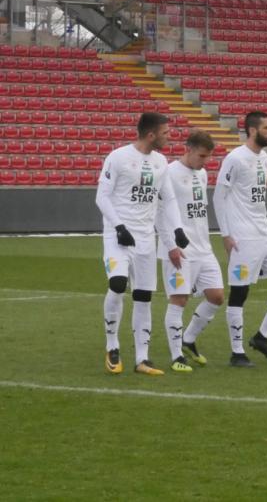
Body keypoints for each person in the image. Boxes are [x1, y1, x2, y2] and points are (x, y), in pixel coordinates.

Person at [97, 111, 186, 376]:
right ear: (151, 134)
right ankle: (112, 346)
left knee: (143, 296)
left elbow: (168, 199)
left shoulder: (160, 162)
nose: (170, 136)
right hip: (119, 237)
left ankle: (142, 359)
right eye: (166, 133)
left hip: (146, 239)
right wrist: (119, 227)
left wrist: (177, 229)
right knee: (117, 284)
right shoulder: (119, 157)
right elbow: (102, 197)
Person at [212, 110, 267, 366]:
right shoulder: (235, 158)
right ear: (252, 130)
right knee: (240, 291)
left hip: (264, 231)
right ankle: (237, 352)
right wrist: (226, 234)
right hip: (242, 235)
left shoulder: (264, 158)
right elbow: (218, 196)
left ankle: (262, 336)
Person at [158, 129, 222, 372]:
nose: (205, 162)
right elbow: (160, 212)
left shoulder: (202, 174)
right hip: (179, 250)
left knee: (216, 296)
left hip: (203, 248)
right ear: (188, 149)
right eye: (202, 156)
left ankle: (188, 339)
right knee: (179, 300)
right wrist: (171, 246)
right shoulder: (170, 173)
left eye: (207, 157)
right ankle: (177, 357)